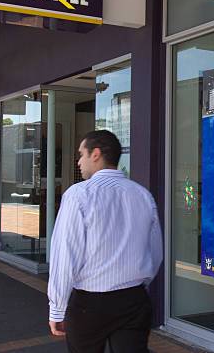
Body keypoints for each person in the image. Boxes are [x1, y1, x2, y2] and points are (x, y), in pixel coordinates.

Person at [47, 130, 163, 353]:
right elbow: (155, 251)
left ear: (96, 154)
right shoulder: (142, 195)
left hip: (89, 305)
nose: (78, 162)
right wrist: (140, 283)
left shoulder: (78, 194)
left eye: (81, 154)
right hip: (134, 300)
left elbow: (65, 255)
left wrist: (57, 309)